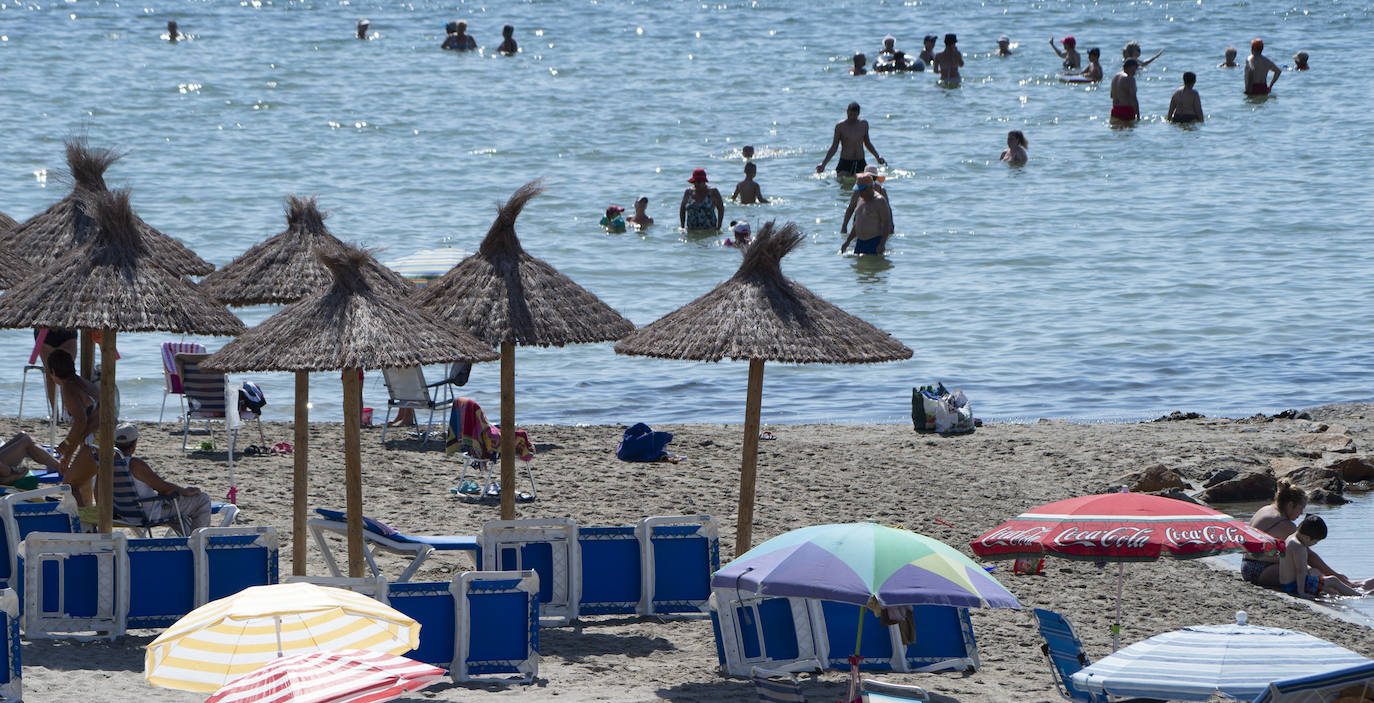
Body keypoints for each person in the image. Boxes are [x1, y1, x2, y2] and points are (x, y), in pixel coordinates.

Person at [1243, 481, 1371, 592]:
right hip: (1258, 570)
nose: (1302, 513)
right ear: (1290, 505)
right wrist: (1335, 575)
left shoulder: (1266, 509)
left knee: (1310, 570)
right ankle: (1349, 587)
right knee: (1310, 573)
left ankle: (1348, 585)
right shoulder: (1285, 524)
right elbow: (1309, 556)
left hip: (1247, 565)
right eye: (1300, 508)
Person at [112, 424, 212, 536]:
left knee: (176, 509)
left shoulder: (107, 464)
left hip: (124, 514)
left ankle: (186, 539)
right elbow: (164, 489)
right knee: (202, 500)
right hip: (147, 513)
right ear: (134, 444)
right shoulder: (134, 464)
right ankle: (199, 543)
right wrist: (185, 491)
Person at [48, 349, 100, 506]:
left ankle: (83, 527)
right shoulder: (83, 383)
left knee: (69, 485)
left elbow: (81, 422)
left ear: (53, 371)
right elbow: (84, 426)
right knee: (75, 481)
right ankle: (86, 525)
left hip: (97, 442)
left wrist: (67, 444)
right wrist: (68, 455)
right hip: (103, 437)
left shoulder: (68, 388)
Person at [1280, 516, 1372, 598]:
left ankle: (1339, 592)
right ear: (1307, 538)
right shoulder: (1300, 547)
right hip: (1294, 587)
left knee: (1315, 572)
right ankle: (1361, 595)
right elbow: (1300, 571)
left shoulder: (1290, 538)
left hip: (1285, 584)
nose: (1314, 545)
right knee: (1333, 580)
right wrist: (1301, 593)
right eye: (1315, 542)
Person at [815, 102, 886, 178]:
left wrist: (877, 156)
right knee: (844, 183)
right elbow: (834, 147)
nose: (852, 117)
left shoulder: (863, 124)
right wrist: (823, 164)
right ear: (847, 112)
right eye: (850, 114)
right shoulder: (840, 126)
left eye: (854, 115)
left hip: (860, 161)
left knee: (865, 183)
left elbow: (867, 143)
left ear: (858, 113)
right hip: (845, 162)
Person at [840, 174, 892, 255]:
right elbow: (857, 223)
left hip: (874, 242)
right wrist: (847, 241)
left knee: (872, 267)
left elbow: (886, 223)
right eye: (859, 190)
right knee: (859, 267)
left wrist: (882, 244)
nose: (860, 192)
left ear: (870, 187)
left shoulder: (880, 201)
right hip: (860, 243)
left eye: (862, 190)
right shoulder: (860, 200)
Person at [34, 328, 78, 422]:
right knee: (57, 374)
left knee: (60, 374)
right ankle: (60, 414)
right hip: (51, 331)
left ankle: (61, 414)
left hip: (58, 331)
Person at [1110, 58, 1140, 122]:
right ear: (1130, 67)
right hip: (1127, 110)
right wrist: (1138, 115)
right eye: (1135, 68)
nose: (1135, 71)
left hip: (1115, 109)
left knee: (1117, 131)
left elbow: (1112, 95)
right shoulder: (1130, 79)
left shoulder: (1115, 77)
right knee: (1128, 131)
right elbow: (1133, 98)